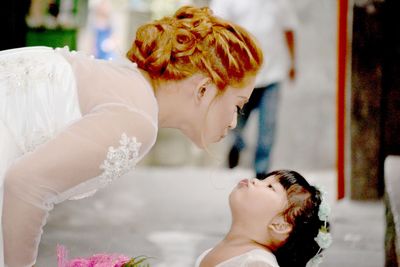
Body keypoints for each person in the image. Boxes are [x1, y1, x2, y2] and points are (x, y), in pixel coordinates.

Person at [0, 6, 263, 267]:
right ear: (204, 89)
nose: (232, 122)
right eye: (238, 106)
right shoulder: (137, 119)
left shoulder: (124, 80)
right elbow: (26, 185)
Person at [210, 0, 298, 178]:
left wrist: (292, 62)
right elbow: (216, 30)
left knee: (268, 126)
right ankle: (237, 145)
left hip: (272, 74)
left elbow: (289, 28)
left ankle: (261, 171)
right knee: (233, 122)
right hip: (240, 75)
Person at [195, 170, 332, 267]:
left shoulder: (257, 263)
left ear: (280, 225)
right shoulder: (214, 251)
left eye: (270, 187)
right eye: (263, 180)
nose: (255, 180)